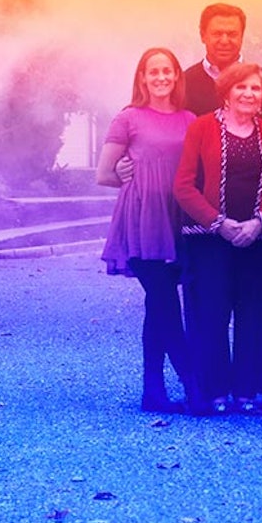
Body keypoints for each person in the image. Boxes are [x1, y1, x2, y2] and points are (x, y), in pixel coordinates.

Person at [173, 63, 262, 415]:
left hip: (256, 239)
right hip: (209, 239)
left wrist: (260, 222)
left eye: (255, 89)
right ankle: (215, 390)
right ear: (226, 92)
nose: (248, 94)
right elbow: (183, 186)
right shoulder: (201, 127)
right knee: (211, 312)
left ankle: (246, 390)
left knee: (254, 313)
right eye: (241, 87)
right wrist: (218, 223)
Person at [96, 48, 195, 413]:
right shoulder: (128, 118)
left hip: (178, 219)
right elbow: (104, 174)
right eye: (153, 71)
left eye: (167, 71)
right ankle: (193, 383)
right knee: (165, 301)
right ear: (142, 78)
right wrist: (126, 175)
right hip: (142, 222)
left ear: (176, 76)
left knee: (158, 304)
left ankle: (152, 392)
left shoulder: (189, 119)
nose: (161, 77)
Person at [183, 3, 262, 145]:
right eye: (217, 34)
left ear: (242, 37)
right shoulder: (184, 83)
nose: (224, 41)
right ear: (203, 36)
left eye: (232, 34)